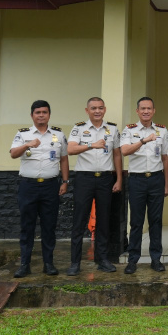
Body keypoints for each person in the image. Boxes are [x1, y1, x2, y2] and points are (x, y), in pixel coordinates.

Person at [9, 100, 70, 278]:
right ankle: (24, 264)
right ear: (32, 115)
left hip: (50, 186)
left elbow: (64, 159)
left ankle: (48, 264)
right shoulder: (23, 134)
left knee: (49, 226)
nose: (41, 115)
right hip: (28, 186)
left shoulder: (58, 135)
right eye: (38, 112)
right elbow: (13, 154)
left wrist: (65, 181)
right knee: (27, 226)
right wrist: (26, 145)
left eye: (44, 112)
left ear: (49, 115)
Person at [65, 97, 122, 276]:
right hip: (84, 178)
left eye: (100, 108)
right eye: (93, 108)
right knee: (79, 220)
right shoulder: (79, 128)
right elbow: (70, 149)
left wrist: (119, 179)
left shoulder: (112, 129)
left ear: (105, 109)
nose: (97, 111)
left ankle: (102, 259)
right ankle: (75, 262)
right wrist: (91, 145)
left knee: (104, 221)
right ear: (87, 110)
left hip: (105, 178)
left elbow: (117, 155)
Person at [120, 97, 168, 274]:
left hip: (156, 179)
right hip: (137, 180)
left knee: (156, 220)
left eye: (149, 108)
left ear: (154, 111)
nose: (146, 111)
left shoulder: (162, 131)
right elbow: (124, 151)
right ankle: (133, 260)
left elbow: (165, 158)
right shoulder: (129, 130)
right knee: (136, 221)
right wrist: (143, 141)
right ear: (137, 111)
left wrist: (166, 184)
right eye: (143, 108)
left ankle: (156, 259)